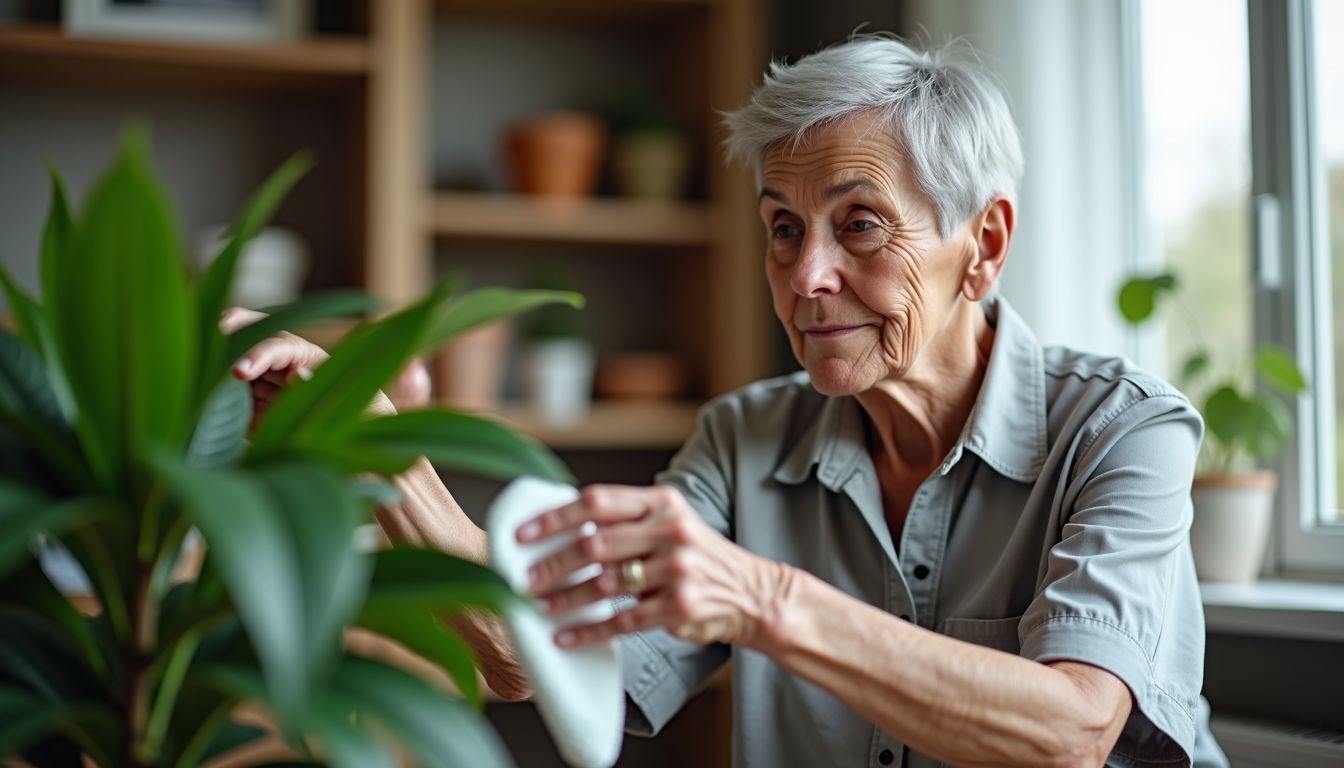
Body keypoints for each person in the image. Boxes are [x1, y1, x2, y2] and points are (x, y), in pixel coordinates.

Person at [230, 35, 1227, 768]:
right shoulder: (743, 437)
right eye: (784, 228)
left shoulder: (1122, 429)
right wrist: (380, 455)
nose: (806, 277)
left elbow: (1074, 729)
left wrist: (763, 597)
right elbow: (533, 658)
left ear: (987, 246)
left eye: (861, 225)